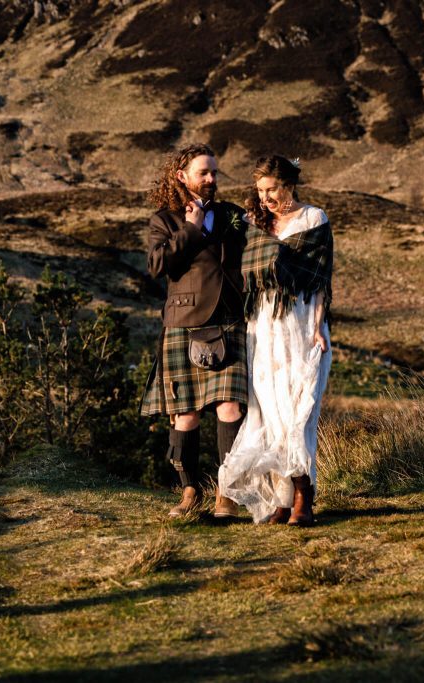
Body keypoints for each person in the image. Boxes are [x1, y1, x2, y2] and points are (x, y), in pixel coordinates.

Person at [218, 155, 333, 526]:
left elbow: (319, 282)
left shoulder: (314, 220)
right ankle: (282, 499)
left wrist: (317, 328)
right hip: (263, 326)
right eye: (261, 191)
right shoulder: (255, 223)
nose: (266, 197)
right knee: (268, 411)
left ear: (289, 185)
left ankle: (304, 496)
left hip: (298, 321)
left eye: (272, 190)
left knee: (298, 410)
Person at [140, 143, 248, 519]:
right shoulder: (165, 220)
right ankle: (190, 492)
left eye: (215, 172)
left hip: (229, 318)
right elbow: (158, 264)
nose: (211, 179)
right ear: (181, 176)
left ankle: (228, 492)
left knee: (230, 406)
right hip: (184, 322)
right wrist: (190, 227)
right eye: (204, 173)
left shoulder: (232, 215)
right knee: (185, 414)